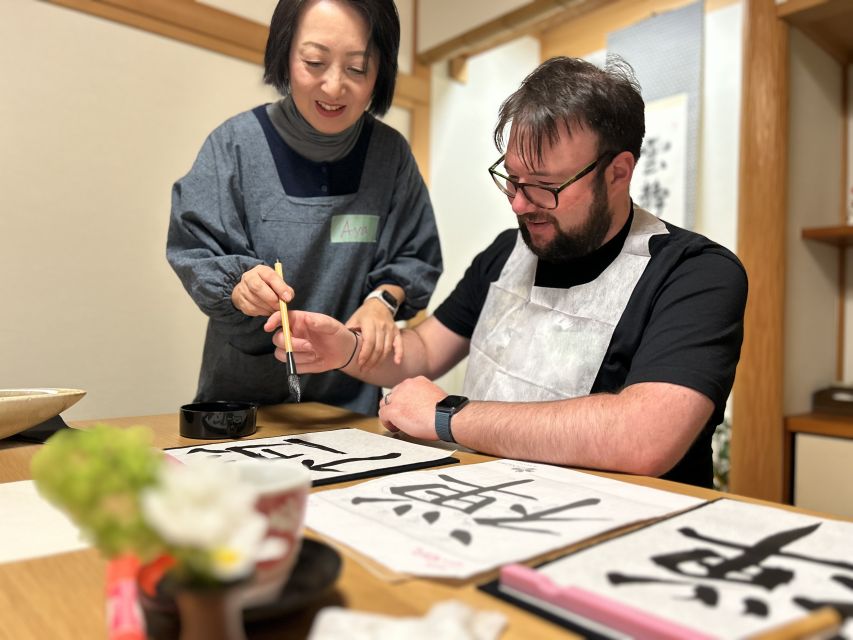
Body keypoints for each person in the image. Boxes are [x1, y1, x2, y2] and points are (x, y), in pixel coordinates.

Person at [264, 56, 747, 488]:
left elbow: (645, 437)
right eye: (512, 180)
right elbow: (424, 350)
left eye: (544, 186)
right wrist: (345, 347)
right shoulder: (506, 252)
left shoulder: (695, 274)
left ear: (618, 172)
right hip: (488, 500)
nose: (519, 203)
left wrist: (448, 415)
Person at [167, 0, 442, 415]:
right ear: (284, 54)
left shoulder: (390, 156)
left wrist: (383, 301)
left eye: (356, 68)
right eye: (315, 62)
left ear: (380, 73)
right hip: (244, 409)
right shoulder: (235, 146)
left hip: (350, 410)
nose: (333, 87)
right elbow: (197, 250)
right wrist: (239, 287)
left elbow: (414, 255)